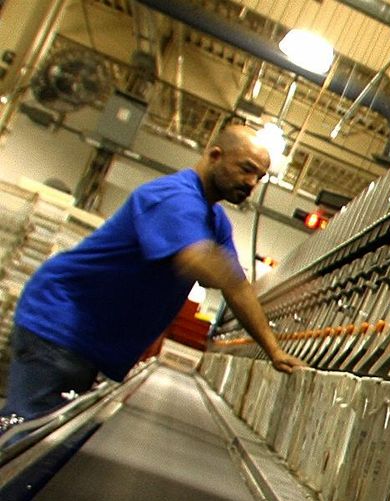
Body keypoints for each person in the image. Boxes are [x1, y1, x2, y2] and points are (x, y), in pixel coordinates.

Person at [1, 124, 302, 426]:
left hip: (87, 337)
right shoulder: (174, 197)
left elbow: (237, 290)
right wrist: (288, 284)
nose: (252, 183)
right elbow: (197, 261)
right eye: (246, 170)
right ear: (215, 156)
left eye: (260, 178)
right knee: (28, 438)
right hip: (60, 322)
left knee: (48, 435)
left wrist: (274, 350)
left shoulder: (216, 220)